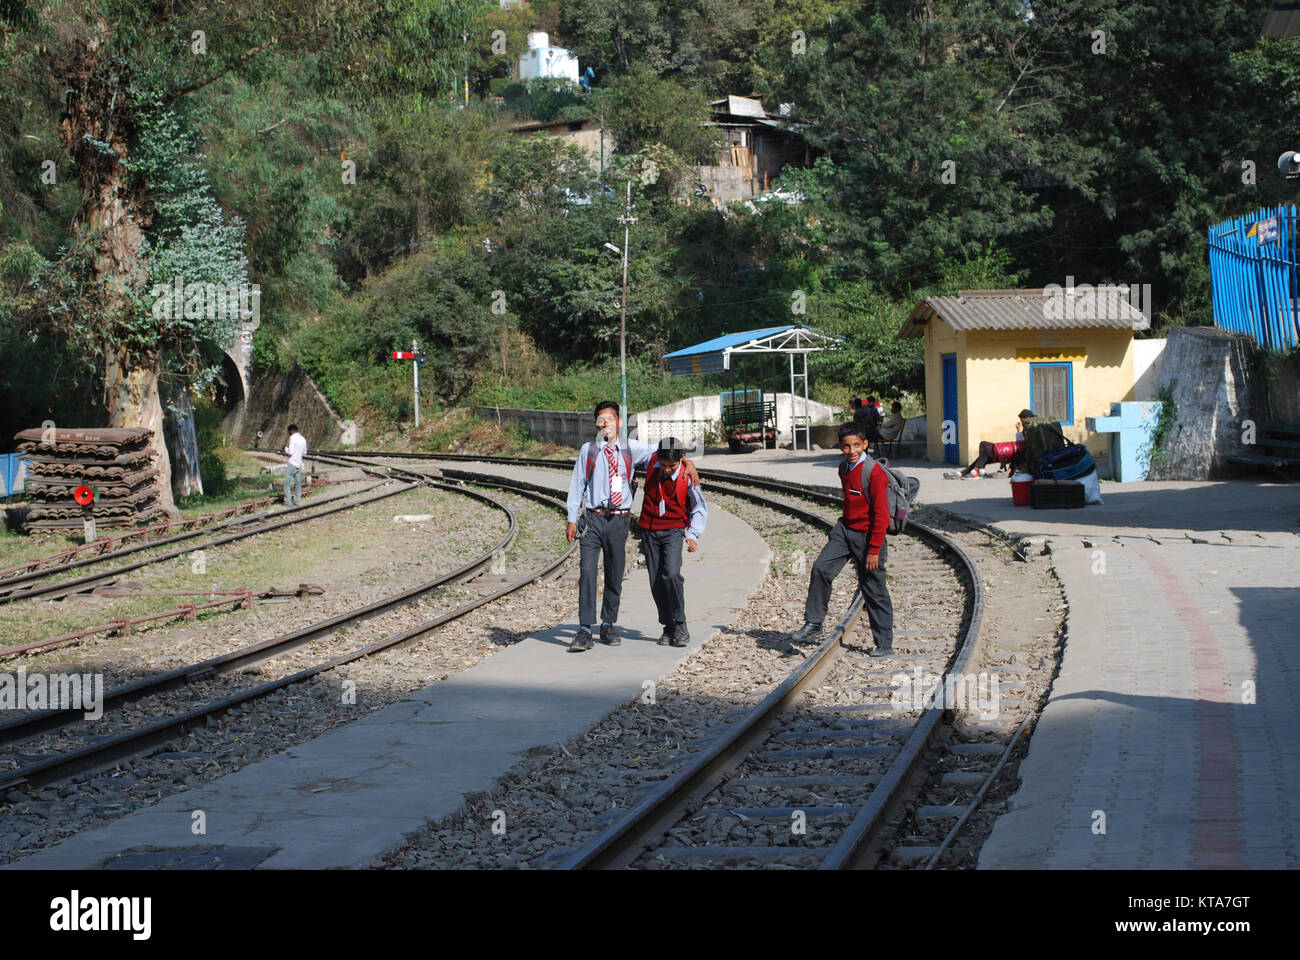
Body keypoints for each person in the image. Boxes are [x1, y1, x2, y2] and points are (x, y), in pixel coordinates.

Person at [564, 401, 698, 654]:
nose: (606, 425)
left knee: (615, 573)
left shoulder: (631, 448)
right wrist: (573, 517)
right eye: (601, 420)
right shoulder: (589, 450)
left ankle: (607, 624)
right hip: (592, 518)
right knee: (587, 571)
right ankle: (584, 629)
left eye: (611, 419)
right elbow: (577, 483)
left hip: (619, 519)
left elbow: (663, 454)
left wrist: (687, 462)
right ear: (596, 424)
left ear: (620, 422)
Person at [788, 422, 895, 656]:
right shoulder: (843, 468)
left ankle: (884, 644)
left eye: (857, 445)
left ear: (865, 444)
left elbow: (881, 515)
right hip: (845, 530)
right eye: (846, 446)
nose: (852, 450)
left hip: (868, 537)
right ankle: (814, 624)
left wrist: (874, 548)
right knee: (821, 569)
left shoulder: (874, 472)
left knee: (873, 588)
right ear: (840, 447)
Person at [637, 437, 708, 648]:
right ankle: (667, 626)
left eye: (672, 466)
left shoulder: (687, 477)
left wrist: (693, 535)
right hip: (649, 530)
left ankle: (680, 622)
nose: (667, 470)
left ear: (680, 461)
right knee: (656, 580)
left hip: (673, 531)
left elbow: (699, 508)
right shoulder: (652, 462)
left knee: (672, 574)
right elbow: (637, 447)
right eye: (664, 465)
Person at [944, 409, 1035, 479]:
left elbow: (1022, 445)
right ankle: (969, 471)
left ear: (1026, 418)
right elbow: (1020, 443)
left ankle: (973, 471)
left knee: (985, 448)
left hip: (1012, 453)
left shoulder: (1031, 430)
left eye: (1022, 419)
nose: (1021, 421)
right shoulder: (1026, 429)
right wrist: (1018, 431)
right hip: (1011, 451)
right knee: (984, 450)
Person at [282, 424, 307, 505]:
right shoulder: (303, 439)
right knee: (298, 483)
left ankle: (288, 502)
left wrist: (285, 448)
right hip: (299, 463)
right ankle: (297, 501)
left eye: (289, 432)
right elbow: (304, 452)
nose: (289, 433)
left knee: (287, 483)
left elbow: (291, 452)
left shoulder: (292, 438)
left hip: (292, 463)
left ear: (291, 431)